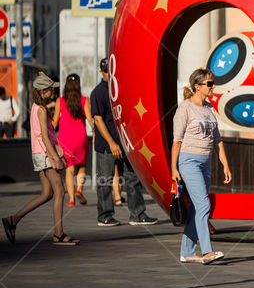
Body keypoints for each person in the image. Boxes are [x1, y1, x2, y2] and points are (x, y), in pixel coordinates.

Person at [2, 73, 78, 246]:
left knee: (47, 194)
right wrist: (55, 159)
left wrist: (59, 153)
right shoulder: (42, 110)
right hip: (44, 155)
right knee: (59, 192)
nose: (54, 91)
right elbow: (44, 137)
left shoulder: (37, 107)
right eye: (51, 88)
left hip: (39, 154)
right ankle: (58, 234)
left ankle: (13, 220)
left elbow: (45, 136)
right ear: (44, 90)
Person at [171, 68, 232, 264]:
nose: (212, 86)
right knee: (204, 204)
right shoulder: (185, 109)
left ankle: (187, 252)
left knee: (198, 209)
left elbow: (218, 141)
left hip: (206, 162)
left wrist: (226, 166)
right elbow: (177, 141)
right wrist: (174, 168)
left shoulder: (209, 109)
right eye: (209, 83)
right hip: (188, 161)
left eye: (212, 82)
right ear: (197, 87)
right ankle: (207, 251)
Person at [91, 58, 159, 227]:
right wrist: (112, 143)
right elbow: (98, 120)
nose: (109, 74)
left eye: (111, 71)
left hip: (125, 142)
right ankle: (105, 215)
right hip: (107, 145)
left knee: (133, 178)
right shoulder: (98, 92)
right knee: (105, 181)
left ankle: (138, 214)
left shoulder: (121, 90)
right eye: (106, 71)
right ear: (101, 72)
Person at [53, 74, 93, 207]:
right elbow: (90, 120)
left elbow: (54, 122)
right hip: (80, 137)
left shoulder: (60, 101)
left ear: (66, 85)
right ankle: (79, 190)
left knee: (69, 169)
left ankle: (71, 199)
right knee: (81, 165)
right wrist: (95, 132)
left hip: (65, 138)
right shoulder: (84, 100)